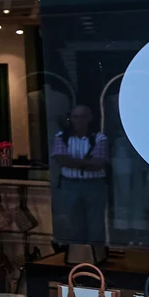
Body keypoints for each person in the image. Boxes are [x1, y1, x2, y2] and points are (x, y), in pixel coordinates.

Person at [50, 103, 110, 262]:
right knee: (73, 223)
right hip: (70, 185)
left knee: (96, 224)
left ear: (90, 118)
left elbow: (99, 163)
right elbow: (61, 160)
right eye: (75, 117)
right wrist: (86, 162)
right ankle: (77, 260)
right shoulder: (61, 137)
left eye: (82, 117)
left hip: (94, 185)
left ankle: (97, 259)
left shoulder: (99, 138)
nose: (79, 121)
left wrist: (73, 161)